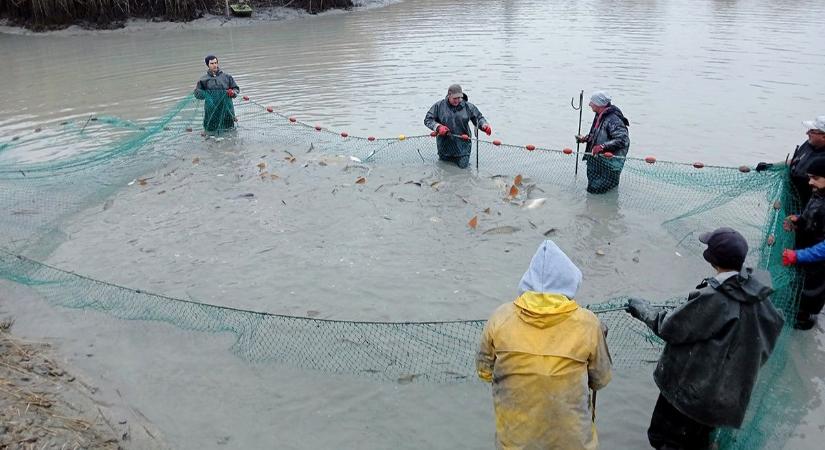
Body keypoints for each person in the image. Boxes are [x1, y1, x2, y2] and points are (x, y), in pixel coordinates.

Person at [626, 227, 784, 450]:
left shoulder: (714, 298)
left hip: (690, 398)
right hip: (726, 400)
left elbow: (669, 327)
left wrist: (641, 309)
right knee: (698, 442)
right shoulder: (759, 295)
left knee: (664, 440)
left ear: (712, 259)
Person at [476, 240, 612, 449]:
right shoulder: (589, 323)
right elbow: (601, 380)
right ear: (569, 281)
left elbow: (484, 372)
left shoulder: (500, 318)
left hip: (515, 441)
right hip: (573, 443)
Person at [782, 157, 825, 329]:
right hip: (805, 253)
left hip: (818, 264)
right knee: (798, 288)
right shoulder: (819, 194)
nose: (810, 182)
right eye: (809, 177)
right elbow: (814, 218)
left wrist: (798, 255)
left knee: (810, 296)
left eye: (815, 178)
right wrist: (798, 220)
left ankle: (804, 322)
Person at [424, 84, 491, 169]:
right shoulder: (439, 106)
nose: (457, 100)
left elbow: (479, 118)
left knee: (463, 171)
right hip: (444, 147)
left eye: (459, 98)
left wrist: (484, 126)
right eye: (454, 98)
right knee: (444, 169)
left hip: (463, 148)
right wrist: (438, 127)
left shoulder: (468, 107)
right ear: (449, 95)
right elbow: (427, 120)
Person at [576, 91, 630, 194]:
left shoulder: (613, 119)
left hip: (609, 164)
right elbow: (598, 133)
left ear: (599, 104)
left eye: (592, 102)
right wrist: (586, 139)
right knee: (593, 191)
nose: (589, 104)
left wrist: (602, 146)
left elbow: (623, 140)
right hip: (597, 160)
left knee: (601, 191)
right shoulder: (599, 115)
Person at [193, 55, 240, 133]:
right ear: (207, 65)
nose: (214, 65)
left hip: (226, 109)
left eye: (215, 63)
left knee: (230, 130)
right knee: (210, 132)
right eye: (212, 63)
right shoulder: (203, 80)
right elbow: (197, 93)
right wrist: (204, 94)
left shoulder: (227, 77)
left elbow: (236, 89)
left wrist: (233, 93)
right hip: (211, 110)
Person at [787, 116, 825, 207]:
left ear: (824, 136)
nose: (807, 133)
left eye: (812, 131)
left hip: (812, 208)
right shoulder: (809, 143)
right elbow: (795, 160)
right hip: (792, 201)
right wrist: (771, 166)